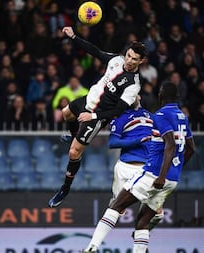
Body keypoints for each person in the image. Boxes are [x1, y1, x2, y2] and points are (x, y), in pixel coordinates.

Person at [83, 82, 195, 252]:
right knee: (138, 220)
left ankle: (92, 248)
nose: (135, 96)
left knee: (119, 207)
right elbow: (190, 148)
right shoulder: (180, 116)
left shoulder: (155, 115)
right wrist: (174, 169)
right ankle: (100, 246)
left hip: (152, 172)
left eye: (136, 93)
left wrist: (162, 175)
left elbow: (170, 144)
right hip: (138, 169)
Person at [48, 26, 146, 208]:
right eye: (129, 55)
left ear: (141, 61)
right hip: (88, 100)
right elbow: (94, 51)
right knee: (65, 113)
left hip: (97, 115)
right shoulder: (116, 60)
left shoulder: (133, 85)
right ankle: (74, 133)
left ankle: (65, 188)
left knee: (74, 152)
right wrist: (74, 37)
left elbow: (117, 111)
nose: (129, 60)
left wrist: (92, 116)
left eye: (134, 59)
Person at [108, 95, 163, 230]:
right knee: (116, 209)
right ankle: (93, 245)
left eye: (135, 94)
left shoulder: (152, 117)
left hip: (148, 167)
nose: (133, 97)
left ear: (139, 96)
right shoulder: (120, 117)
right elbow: (112, 143)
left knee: (158, 213)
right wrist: (137, 141)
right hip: (125, 166)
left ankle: (140, 233)